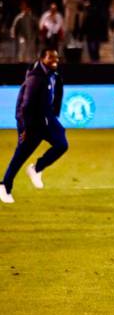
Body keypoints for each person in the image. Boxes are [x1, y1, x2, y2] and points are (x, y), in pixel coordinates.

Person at [1, 49, 68, 204]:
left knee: (62, 144)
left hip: (46, 118)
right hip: (32, 121)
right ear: (42, 58)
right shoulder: (35, 78)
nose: (54, 61)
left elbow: (57, 91)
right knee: (21, 155)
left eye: (56, 58)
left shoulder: (54, 73)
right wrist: (24, 128)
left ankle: (36, 168)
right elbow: (26, 105)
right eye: (50, 58)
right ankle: (4, 185)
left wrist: (53, 115)